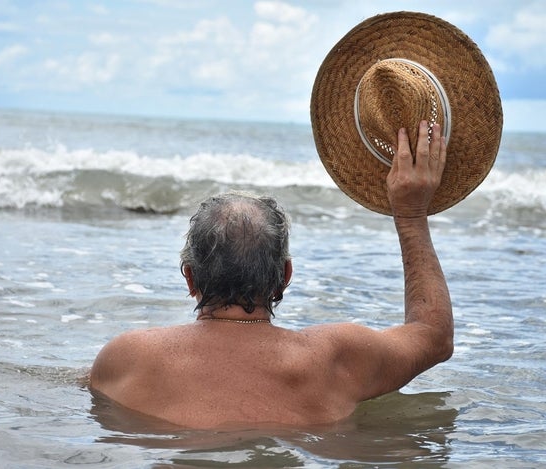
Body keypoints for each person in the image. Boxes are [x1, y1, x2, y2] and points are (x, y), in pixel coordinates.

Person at [89, 120, 452, 428]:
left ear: (189, 278)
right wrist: (410, 214)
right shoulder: (334, 358)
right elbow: (433, 336)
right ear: (285, 276)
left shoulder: (127, 358)